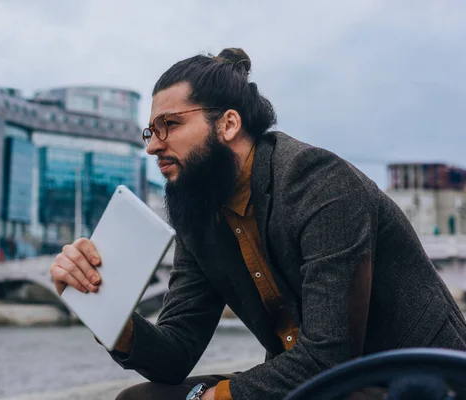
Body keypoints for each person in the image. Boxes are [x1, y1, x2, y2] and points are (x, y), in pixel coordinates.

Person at [50, 48, 466, 399]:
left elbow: (330, 355)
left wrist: (216, 397)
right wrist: (105, 311)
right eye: (150, 131)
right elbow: (176, 352)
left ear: (228, 124)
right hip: (318, 382)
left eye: (170, 125)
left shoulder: (319, 183)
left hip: (419, 378)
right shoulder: (200, 214)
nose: (154, 145)